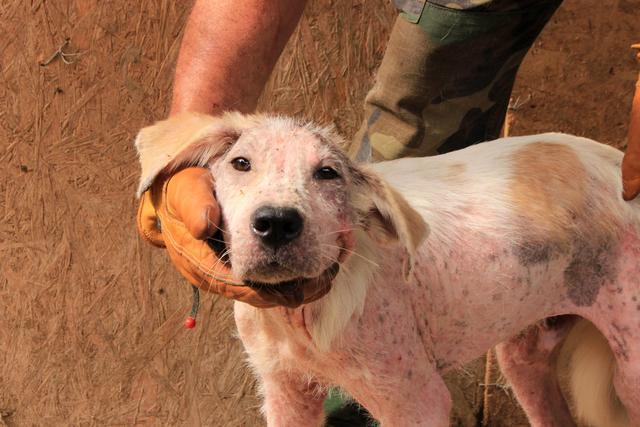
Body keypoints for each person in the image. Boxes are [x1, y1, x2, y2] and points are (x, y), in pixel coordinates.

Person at [138, 0, 639, 424]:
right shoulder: (252, 309)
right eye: (241, 165)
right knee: (524, 356)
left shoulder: (372, 225)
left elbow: (423, 409)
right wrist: (178, 158)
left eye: (325, 175)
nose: (277, 213)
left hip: (600, 215)